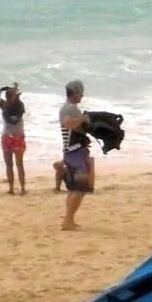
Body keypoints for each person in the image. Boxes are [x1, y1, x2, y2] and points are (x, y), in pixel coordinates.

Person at [0, 83, 27, 195]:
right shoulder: (3, 104)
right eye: (7, 95)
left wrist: (15, 90)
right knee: (9, 164)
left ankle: (22, 188)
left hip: (18, 137)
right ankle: (11, 188)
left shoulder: (20, 106)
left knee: (19, 163)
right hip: (6, 136)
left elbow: (14, 119)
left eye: (10, 95)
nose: (8, 97)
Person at [59, 80, 92, 229]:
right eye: (80, 93)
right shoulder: (70, 108)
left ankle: (69, 219)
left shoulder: (69, 108)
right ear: (75, 92)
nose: (82, 96)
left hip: (71, 152)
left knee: (74, 188)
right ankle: (67, 220)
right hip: (75, 152)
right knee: (81, 187)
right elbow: (68, 123)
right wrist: (83, 119)